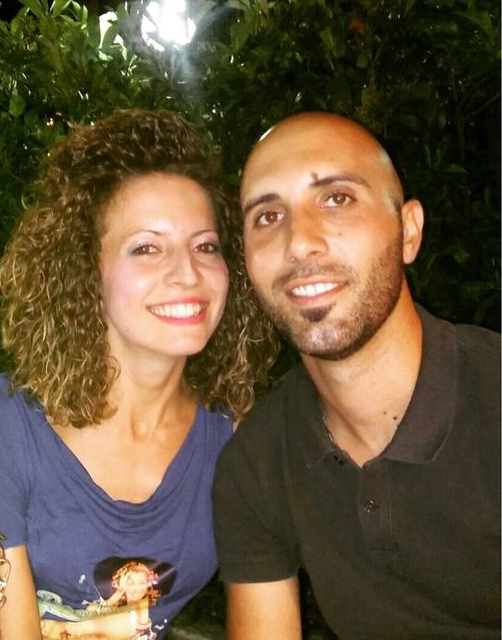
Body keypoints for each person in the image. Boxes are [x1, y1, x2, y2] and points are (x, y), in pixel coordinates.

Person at [0, 108, 276, 639]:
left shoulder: (234, 434)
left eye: (205, 246)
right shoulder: (3, 424)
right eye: (147, 248)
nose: (188, 273)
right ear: (87, 270)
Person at [212, 112, 501, 639]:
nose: (299, 242)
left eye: (337, 198)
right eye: (268, 216)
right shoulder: (258, 462)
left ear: (408, 231)